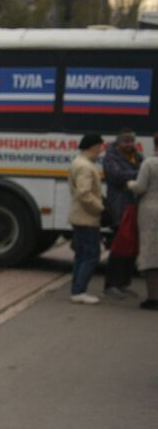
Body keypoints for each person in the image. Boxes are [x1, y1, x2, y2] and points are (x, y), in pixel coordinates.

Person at [102, 127, 144, 297]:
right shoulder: (111, 157)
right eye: (126, 141)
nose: (129, 144)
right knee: (119, 246)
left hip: (134, 206)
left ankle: (123, 283)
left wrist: (139, 173)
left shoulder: (137, 156)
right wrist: (141, 173)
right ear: (118, 142)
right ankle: (111, 285)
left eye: (131, 141)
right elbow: (117, 176)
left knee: (131, 246)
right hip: (119, 206)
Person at [69, 133, 106, 304]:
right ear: (92, 146)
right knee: (91, 255)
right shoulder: (85, 166)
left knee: (81, 255)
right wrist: (100, 208)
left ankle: (76, 289)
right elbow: (84, 193)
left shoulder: (78, 162)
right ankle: (79, 291)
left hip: (79, 216)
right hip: (87, 217)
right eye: (99, 146)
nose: (101, 149)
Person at [128, 152, 158, 309]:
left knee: (150, 253)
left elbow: (140, 187)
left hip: (151, 211)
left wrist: (130, 184)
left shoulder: (150, 163)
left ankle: (153, 298)